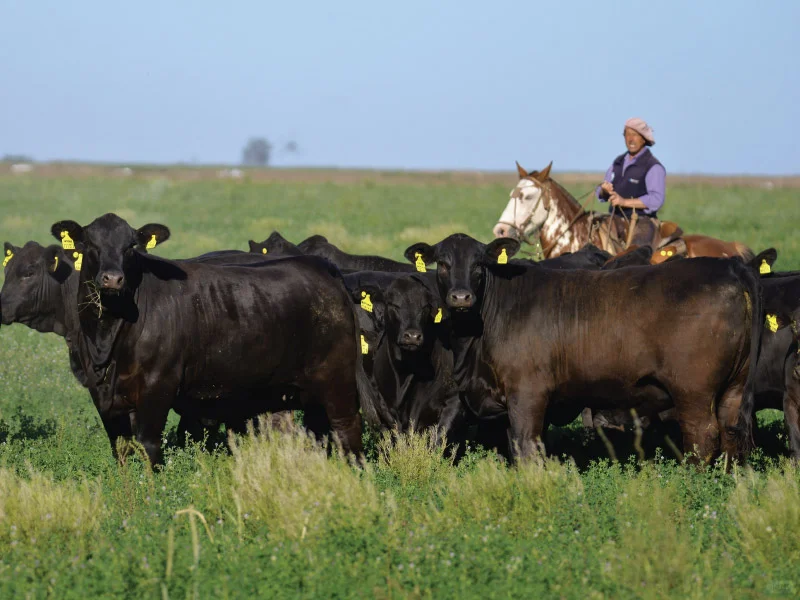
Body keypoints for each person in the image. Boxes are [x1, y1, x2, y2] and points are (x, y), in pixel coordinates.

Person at [596, 117, 666, 247]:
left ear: (643, 139)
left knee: (635, 254)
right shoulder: (617, 162)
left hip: (642, 221)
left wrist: (623, 202)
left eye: (635, 135)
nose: (630, 139)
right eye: (627, 134)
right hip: (614, 220)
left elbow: (656, 199)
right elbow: (600, 192)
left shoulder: (653, 166)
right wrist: (604, 191)